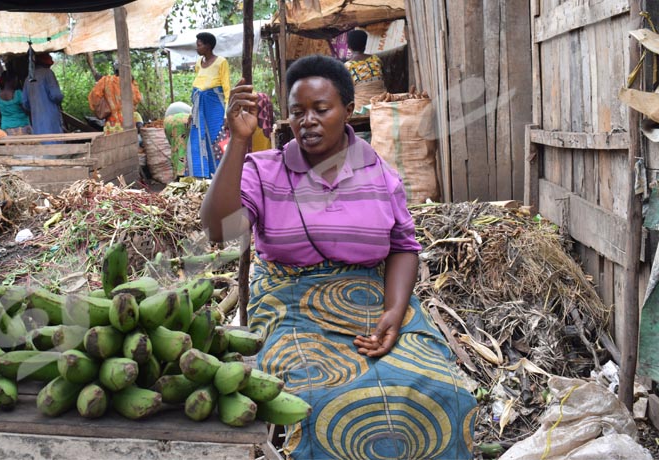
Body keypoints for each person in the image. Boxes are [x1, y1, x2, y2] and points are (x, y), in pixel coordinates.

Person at [200, 55, 477, 459]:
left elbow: (403, 246)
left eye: (320, 109)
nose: (307, 120)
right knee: (319, 399)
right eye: (297, 112)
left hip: (371, 297)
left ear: (348, 111)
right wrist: (239, 141)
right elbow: (217, 229)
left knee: (442, 391)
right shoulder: (263, 170)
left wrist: (395, 311)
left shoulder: (380, 173)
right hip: (291, 302)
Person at [188, 32, 230, 178]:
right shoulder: (199, 63)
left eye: (199, 45)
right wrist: (191, 113)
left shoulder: (221, 62)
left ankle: (224, 174)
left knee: (219, 139)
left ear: (208, 46)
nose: (197, 48)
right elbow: (198, 87)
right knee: (199, 139)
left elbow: (227, 90)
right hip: (200, 108)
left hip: (215, 108)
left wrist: (226, 115)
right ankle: (203, 175)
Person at [87, 63, 144, 135]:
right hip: (128, 124)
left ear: (115, 71)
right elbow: (137, 99)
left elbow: (94, 97)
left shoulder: (105, 81)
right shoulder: (129, 83)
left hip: (111, 125)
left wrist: (106, 104)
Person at [22, 53, 64, 135]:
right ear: (45, 63)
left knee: (42, 143)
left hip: (36, 121)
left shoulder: (28, 78)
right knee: (55, 143)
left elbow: (25, 103)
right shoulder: (48, 73)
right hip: (51, 118)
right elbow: (56, 95)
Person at [345, 29, 386, 110]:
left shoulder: (347, 66)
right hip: (382, 104)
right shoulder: (375, 59)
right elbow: (384, 78)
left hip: (362, 109)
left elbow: (346, 92)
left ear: (349, 46)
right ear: (365, 45)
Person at [0, 71, 31, 135]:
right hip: (22, 126)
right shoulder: (18, 94)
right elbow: (26, 110)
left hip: (6, 127)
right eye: (16, 80)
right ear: (13, 80)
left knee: (10, 145)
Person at [164, 102, 192, 177]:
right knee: (183, 147)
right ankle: (182, 174)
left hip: (167, 122)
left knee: (175, 148)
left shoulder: (172, 109)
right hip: (183, 119)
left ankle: (176, 175)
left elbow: (170, 142)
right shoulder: (191, 109)